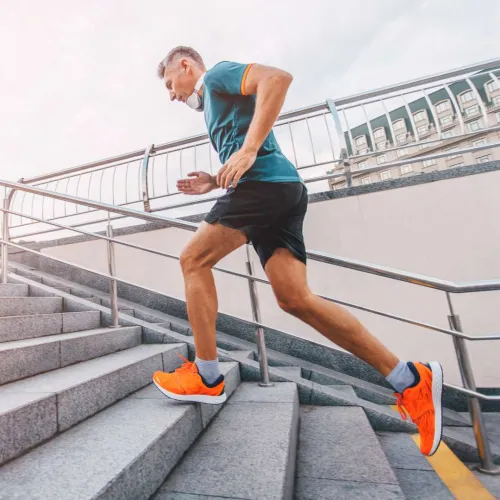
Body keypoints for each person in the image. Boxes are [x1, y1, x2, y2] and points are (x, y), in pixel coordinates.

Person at [152, 46, 443, 456]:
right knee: (295, 299)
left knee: (192, 259)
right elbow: (245, 151)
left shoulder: (216, 76)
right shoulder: (215, 107)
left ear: (185, 66)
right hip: (280, 191)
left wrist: (249, 150)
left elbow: (277, 78)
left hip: (264, 188)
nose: (171, 95)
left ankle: (207, 375)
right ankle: (410, 379)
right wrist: (215, 182)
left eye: (169, 84)